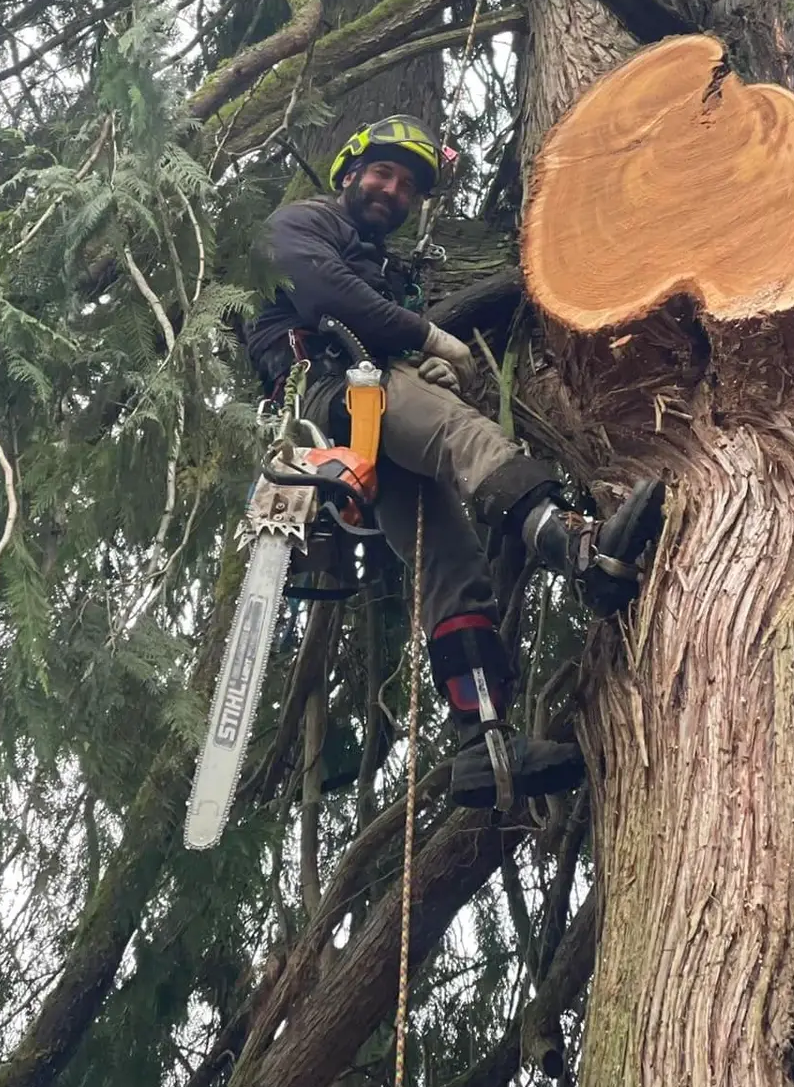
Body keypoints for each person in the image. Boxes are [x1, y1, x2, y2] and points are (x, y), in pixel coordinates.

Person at [246, 113, 664, 809]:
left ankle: (483, 739)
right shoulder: (302, 223)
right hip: (329, 395)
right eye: (381, 173)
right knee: (460, 435)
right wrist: (429, 338)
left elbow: (375, 318)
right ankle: (574, 544)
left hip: (367, 403)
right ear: (349, 173)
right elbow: (322, 292)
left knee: (452, 566)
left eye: (407, 185)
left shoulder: (383, 268)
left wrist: (413, 353)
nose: (391, 189)